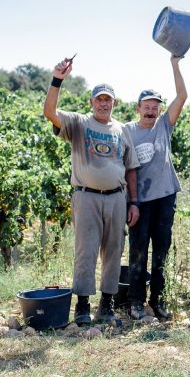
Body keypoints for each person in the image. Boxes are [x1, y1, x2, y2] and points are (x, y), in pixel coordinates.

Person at [43, 57, 140, 325]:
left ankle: (106, 305)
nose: (103, 103)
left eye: (108, 99)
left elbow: (131, 168)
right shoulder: (78, 123)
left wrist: (134, 203)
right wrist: (57, 80)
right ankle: (83, 305)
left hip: (117, 198)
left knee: (113, 250)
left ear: (114, 103)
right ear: (91, 102)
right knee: (85, 251)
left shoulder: (122, 130)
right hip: (86, 196)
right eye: (99, 99)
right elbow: (50, 112)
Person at [125, 56, 187, 320]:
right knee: (138, 250)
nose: (151, 110)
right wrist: (132, 203)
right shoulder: (127, 131)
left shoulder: (164, 126)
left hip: (164, 198)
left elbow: (182, 96)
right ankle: (135, 301)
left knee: (161, 249)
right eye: (147, 106)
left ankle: (157, 300)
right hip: (139, 200)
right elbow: (127, 169)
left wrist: (175, 64)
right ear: (138, 108)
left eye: (155, 106)